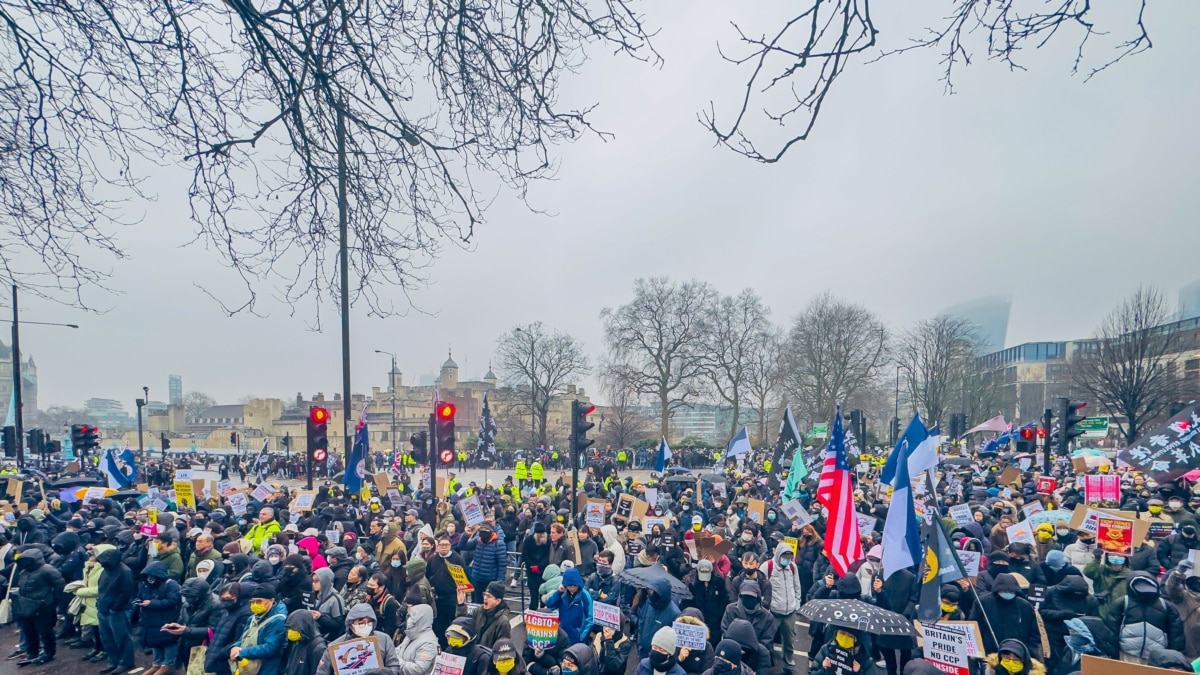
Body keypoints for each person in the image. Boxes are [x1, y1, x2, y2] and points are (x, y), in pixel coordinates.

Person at [1105, 572, 1184, 663]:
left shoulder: (1166, 606)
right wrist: (1113, 654)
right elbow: (1112, 631)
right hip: (1127, 654)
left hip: (1156, 657)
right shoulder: (1123, 603)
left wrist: (1172, 657)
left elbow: (1176, 635)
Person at [12, 547, 66, 666]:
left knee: (45, 631)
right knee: (28, 630)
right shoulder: (24, 571)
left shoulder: (47, 570)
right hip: (27, 605)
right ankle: (32, 652)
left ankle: (49, 652)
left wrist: (53, 603)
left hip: (43, 606)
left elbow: (60, 586)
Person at [969, 573, 1042, 660]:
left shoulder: (1025, 606)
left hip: (1018, 656)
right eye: (1004, 591)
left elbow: (1034, 633)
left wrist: (1031, 654)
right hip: (990, 655)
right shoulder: (982, 603)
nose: (1007, 594)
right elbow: (974, 629)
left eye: (1011, 591)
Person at [315, 603, 402, 675]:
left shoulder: (384, 639)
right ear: (351, 625)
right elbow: (322, 672)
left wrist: (385, 672)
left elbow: (394, 667)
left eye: (369, 622)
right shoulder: (335, 647)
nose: (366, 626)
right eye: (361, 623)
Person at [162, 578, 225, 675]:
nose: (188, 599)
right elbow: (182, 621)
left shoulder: (216, 605)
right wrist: (174, 626)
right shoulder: (187, 604)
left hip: (204, 648)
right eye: (186, 596)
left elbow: (213, 630)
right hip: (187, 645)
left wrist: (186, 630)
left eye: (191, 597)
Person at [135, 560, 183, 675]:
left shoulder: (171, 584)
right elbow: (140, 596)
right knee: (156, 642)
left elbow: (173, 601)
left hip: (167, 618)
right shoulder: (146, 584)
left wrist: (151, 603)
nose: (150, 578)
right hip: (151, 619)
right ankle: (157, 663)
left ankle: (167, 664)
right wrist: (138, 601)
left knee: (168, 641)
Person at [96, 546, 137, 675]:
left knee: (122, 638)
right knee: (107, 638)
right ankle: (112, 661)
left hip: (118, 611)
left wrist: (115, 608)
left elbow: (127, 592)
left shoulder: (125, 572)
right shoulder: (105, 571)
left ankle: (126, 662)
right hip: (104, 609)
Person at [230, 586, 288, 675]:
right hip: (248, 665)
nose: (255, 604)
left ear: (272, 600)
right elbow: (244, 637)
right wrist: (234, 647)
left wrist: (242, 651)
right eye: (252, 602)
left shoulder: (278, 620)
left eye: (259, 601)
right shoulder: (252, 618)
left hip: (267, 667)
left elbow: (270, 647)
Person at [764, 542, 803, 666]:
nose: (787, 560)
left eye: (789, 557)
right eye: (784, 557)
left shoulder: (793, 567)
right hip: (773, 611)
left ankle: (788, 657)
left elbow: (797, 586)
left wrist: (797, 604)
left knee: (789, 637)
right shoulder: (767, 566)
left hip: (790, 611)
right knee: (768, 637)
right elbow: (762, 587)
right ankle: (768, 658)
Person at [206, 583, 252, 675]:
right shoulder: (227, 611)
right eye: (223, 599)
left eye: (229, 598)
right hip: (218, 658)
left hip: (228, 659)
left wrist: (221, 653)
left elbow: (239, 639)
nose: (226, 602)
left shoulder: (245, 614)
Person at [544, 567, 593, 644]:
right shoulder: (563, 593)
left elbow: (590, 618)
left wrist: (581, 636)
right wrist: (559, 592)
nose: (572, 588)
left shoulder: (585, 595)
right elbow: (550, 604)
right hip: (562, 634)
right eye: (570, 586)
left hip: (577, 637)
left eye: (574, 586)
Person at [683, 559, 729, 641]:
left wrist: (719, 615)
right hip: (698, 618)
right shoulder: (691, 583)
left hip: (715, 620)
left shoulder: (719, 581)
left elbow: (724, 599)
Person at [637, 577, 681, 658]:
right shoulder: (649, 603)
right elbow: (641, 622)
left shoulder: (675, 613)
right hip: (643, 652)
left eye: (653, 591)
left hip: (659, 656)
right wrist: (640, 645)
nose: (650, 593)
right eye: (649, 590)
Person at [466, 525, 508, 604]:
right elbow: (463, 546)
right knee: (476, 603)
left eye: (486, 529)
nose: (483, 531)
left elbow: (502, 565)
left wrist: (499, 582)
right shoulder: (477, 540)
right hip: (476, 578)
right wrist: (466, 534)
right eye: (482, 529)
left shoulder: (499, 544)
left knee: (490, 604)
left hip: (490, 580)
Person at [395, 604, 438, 675]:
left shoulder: (428, 643)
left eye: (412, 617)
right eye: (409, 616)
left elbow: (418, 669)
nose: (409, 620)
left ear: (421, 619)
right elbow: (397, 650)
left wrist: (397, 662)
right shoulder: (411, 634)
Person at [810, 628, 874, 675]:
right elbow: (813, 672)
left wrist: (859, 672)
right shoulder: (826, 649)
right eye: (842, 633)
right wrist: (823, 670)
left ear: (856, 640)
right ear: (836, 634)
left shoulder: (863, 658)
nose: (845, 638)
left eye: (850, 636)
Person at [283, 607, 327, 675]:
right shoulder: (298, 641)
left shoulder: (318, 648)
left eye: (294, 628)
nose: (290, 631)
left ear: (304, 626)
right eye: (289, 628)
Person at [521, 524, 551, 611]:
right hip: (532, 571)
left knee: (544, 593)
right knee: (533, 593)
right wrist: (531, 565)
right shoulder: (529, 540)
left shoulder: (548, 540)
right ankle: (533, 610)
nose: (542, 536)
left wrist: (540, 566)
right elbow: (525, 555)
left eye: (543, 534)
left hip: (544, 571)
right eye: (539, 535)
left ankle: (543, 610)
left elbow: (548, 555)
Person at [473, 582, 513, 646]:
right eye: (484, 594)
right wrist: (461, 605)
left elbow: (503, 647)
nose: (485, 598)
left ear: (498, 601)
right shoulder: (479, 610)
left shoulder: (503, 622)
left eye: (489, 596)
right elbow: (464, 625)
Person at [364, 572, 402, 638]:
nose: (369, 587)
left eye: (372, 586)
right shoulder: (369, 598)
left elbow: (391, 627)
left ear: (381, 587)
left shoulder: (390, 603)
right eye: (368, 584)